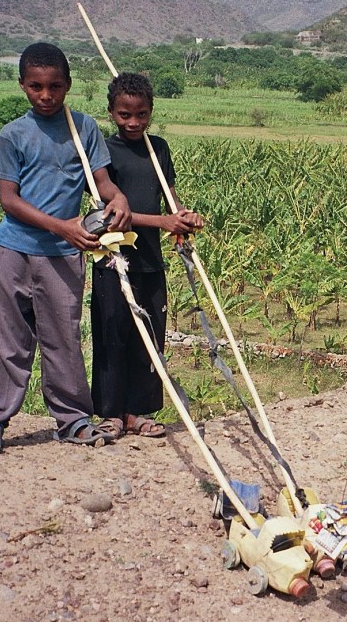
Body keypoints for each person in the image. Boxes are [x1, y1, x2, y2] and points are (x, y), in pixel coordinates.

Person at [0, 42, 132, 453]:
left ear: (68, 85)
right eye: (36, 86)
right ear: (22, 85)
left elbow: (102, 181)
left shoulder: (84, 128)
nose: (46, 96)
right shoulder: (13, 135)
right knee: (8, 340)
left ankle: (73, 419)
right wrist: (62, 226)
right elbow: (10, 200)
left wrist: (118, 198)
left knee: (63, 338)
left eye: (55, 86)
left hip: (62, 256)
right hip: (15, 250)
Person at [91, 72, 203, 438]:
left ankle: (138, 412)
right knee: (113, 335)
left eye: (141, 115)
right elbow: (115, 213)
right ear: (111, 113)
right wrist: (165, 221)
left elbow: (169, 197)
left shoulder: (159, 148)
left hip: (150, 259)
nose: (134, 122)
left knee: (150, 335)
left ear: (151, 112)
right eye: (125, 115)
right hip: (115, 259)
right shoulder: (103, 153)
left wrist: (183, 218)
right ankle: (110, 413)